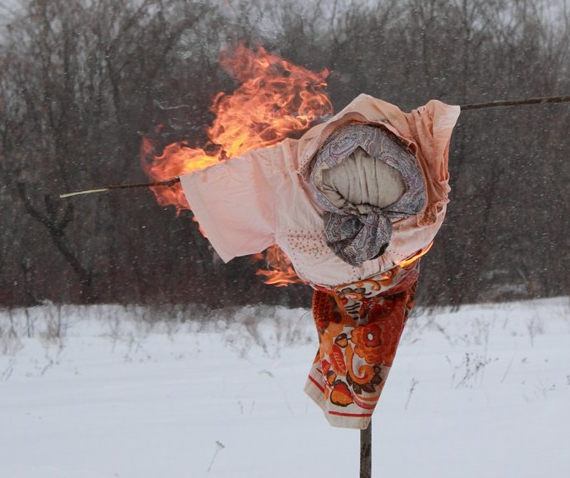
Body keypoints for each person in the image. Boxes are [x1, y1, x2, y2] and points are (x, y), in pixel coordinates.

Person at [180, 93, 460, 427]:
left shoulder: (419, 229)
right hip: (334, 203)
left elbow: (432, 134)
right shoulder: (409, 233)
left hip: (366, 185)